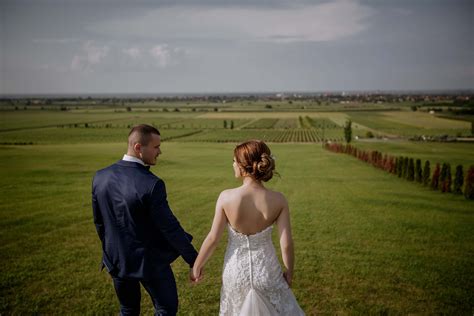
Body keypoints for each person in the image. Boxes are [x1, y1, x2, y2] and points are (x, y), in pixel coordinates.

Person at [92, 124, 198, 316]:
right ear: (138, 148)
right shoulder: (152, 184)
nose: (160, 151)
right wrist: (193, 259)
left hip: (117, 261)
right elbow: (170, 228)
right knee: (166, 310)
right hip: (151, 264)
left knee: (128, 310)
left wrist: (111, 252)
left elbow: (99, 223)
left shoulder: (100, 177)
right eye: (156, 147)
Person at [192, 140, 305, 315]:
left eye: (234, 161)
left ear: (243, 166)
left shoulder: (226, 197)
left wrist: (197, 265)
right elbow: (286, 244)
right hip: (268, 272)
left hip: (235, 273)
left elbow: (213, 238)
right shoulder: (278, 199)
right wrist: (289, 271)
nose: (232, 165)